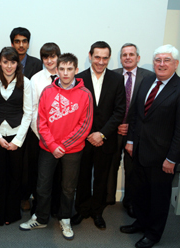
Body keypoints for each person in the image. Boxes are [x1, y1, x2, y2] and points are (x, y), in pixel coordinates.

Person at [20, 53, 93, 240]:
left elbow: (85, 125)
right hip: (48, 149)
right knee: (42, 186)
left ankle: (65, 218)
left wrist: (64, 145)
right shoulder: (47, 91)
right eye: (62, 69)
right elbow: (41, 121)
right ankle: (41, 217)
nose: (66, 73)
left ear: (76, 70)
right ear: (56, 70)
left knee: (68, 188)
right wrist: (53, 145)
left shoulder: (85, 94)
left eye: (70, 69)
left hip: (73, 150)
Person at [120, 44, 180, 248]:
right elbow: (136, 115)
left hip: (163, 158)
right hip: (139, 152)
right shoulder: (147, 81)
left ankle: (153, 234)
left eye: (167, 60)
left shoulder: (178, 89)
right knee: (141, 193)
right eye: (158, 60)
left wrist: (172, 159)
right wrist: (130, 141)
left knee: (159, 199)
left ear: (176, 64)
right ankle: (141, 222)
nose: (161, 64)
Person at [71, 41, 125, 230]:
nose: (101, 62)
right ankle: (81, 210)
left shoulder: (117, 80)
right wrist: (88, 134)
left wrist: (101, 134)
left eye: (105, 58)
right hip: (83, 140)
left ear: (109, 58)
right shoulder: (79, 79)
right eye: (97, 57)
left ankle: (97, 212)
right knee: (82, 177)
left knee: (102, 178)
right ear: (90, 56)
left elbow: (119, 111)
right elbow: (75, 111)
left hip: (105, 140)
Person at [0, 47, 32, 226]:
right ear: (0, 62)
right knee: (0, 175)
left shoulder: (25, 82)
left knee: (15, 176)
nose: (9, 66)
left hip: (17, 135)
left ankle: (12, 213)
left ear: (17, 63)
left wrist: (17, 141)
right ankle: (0, 212)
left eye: (12, 62)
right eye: (5, 62)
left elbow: (28, 113)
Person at [106, 43, 154, 218]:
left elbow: (148, 108)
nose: (127, 57)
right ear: (120, 58)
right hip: (113, 130)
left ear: (138, 58)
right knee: (110, 165)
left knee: (132, 169)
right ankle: (108, 198)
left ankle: (131, 202)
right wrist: (116, 123)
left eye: (131, 54)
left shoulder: (149, 77)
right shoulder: (112, 76)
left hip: (136, 133)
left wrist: (130, 125)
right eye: (124, 54)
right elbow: (107, 104)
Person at [25, 42, 61, 215]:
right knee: (40, 175)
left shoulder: (66, 77)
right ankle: (39, 208)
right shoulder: (36, 79)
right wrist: (41, 135)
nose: (49, 61)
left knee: (59, 175)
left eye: (52, 56)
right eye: (45, 57)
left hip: (62, 136)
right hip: (39, 135)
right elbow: (32, 109)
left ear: (58, 57)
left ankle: (56, 208)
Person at [10, 27, 42, 211]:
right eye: (17, 41)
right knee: (17, 163)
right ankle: (20, 196)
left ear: (28, 43)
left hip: (33, 121)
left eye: (24, 41)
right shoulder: (7, 62)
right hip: (14, 119)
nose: (21, 45)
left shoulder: (37, 64)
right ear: (12, 43)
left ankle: (32, 195)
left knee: (32, 162)